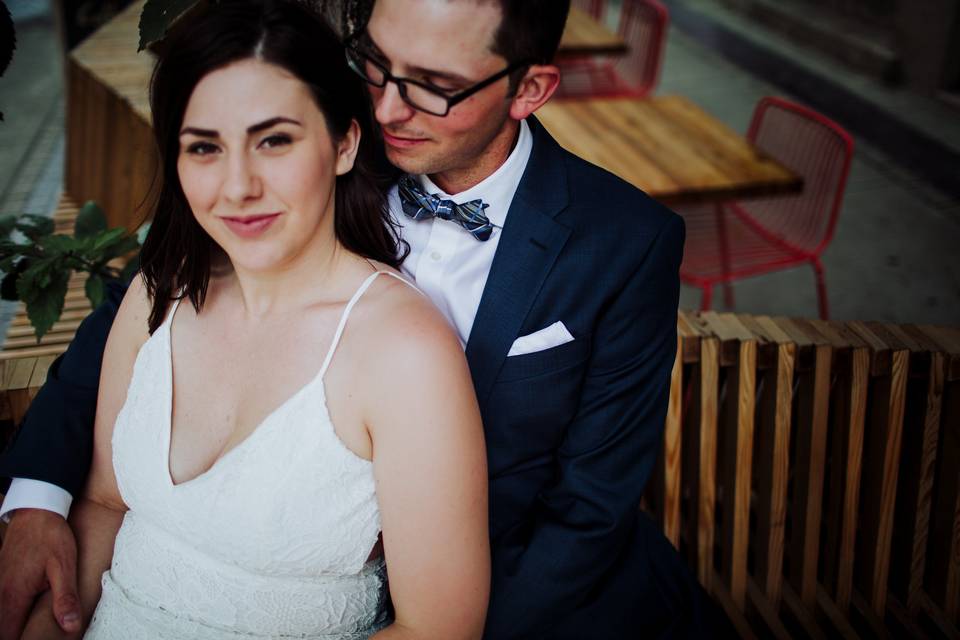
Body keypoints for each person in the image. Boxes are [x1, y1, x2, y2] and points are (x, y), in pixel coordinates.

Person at [1, 0, 711, 637]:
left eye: (432, 85)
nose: (388, 109)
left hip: (531, 599)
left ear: (529, 89)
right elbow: (147, 309)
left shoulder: (622, 242)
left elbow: (586, 510)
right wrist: (37, 494)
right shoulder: (300, 149)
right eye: (374, 62)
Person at [7, 1, 490, 638]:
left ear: (344, 143)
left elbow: (438, 631)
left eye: (274, 141)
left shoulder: (403, 352)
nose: (237, 186)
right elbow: (104, 502)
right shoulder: (160, 291)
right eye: (204, 147)